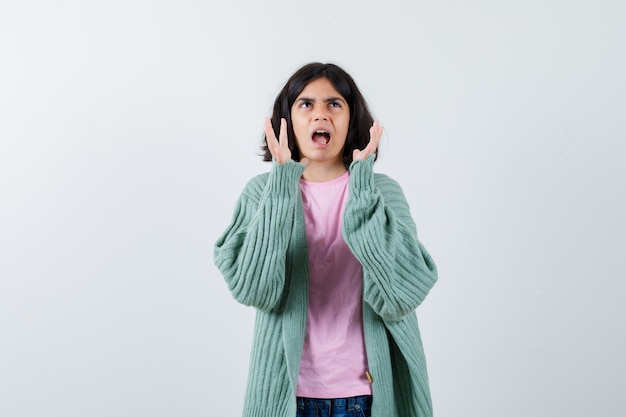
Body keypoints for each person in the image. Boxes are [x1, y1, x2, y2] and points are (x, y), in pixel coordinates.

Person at [214, 62, 438, 417]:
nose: (320, 114)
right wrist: (282, 187)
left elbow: (400, 295)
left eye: (334, 104)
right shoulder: (262, 194)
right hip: (287, 397)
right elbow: (254, 290)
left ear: (352, 119)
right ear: (286, 118)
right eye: (306, 104)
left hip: (366, 397)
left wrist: (362, 191)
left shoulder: (382, 193)